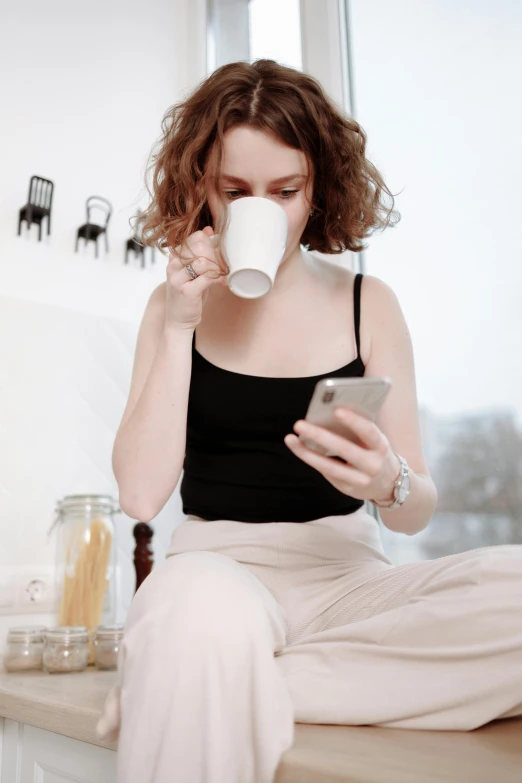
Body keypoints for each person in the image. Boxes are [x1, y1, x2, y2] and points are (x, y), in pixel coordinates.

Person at [96, 59, 522, 783]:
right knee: (192, 615)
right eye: (236, 191)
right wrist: (178, 328)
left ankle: (202, 683)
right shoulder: (172, 308)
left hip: (350, 585)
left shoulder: (368, 301)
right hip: (216, 574)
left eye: (286, 191)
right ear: (203, 186)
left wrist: (389, 481)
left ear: (318, 184)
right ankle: (200, 663)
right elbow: (140, 496)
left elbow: (417, 512)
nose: (264, 210)